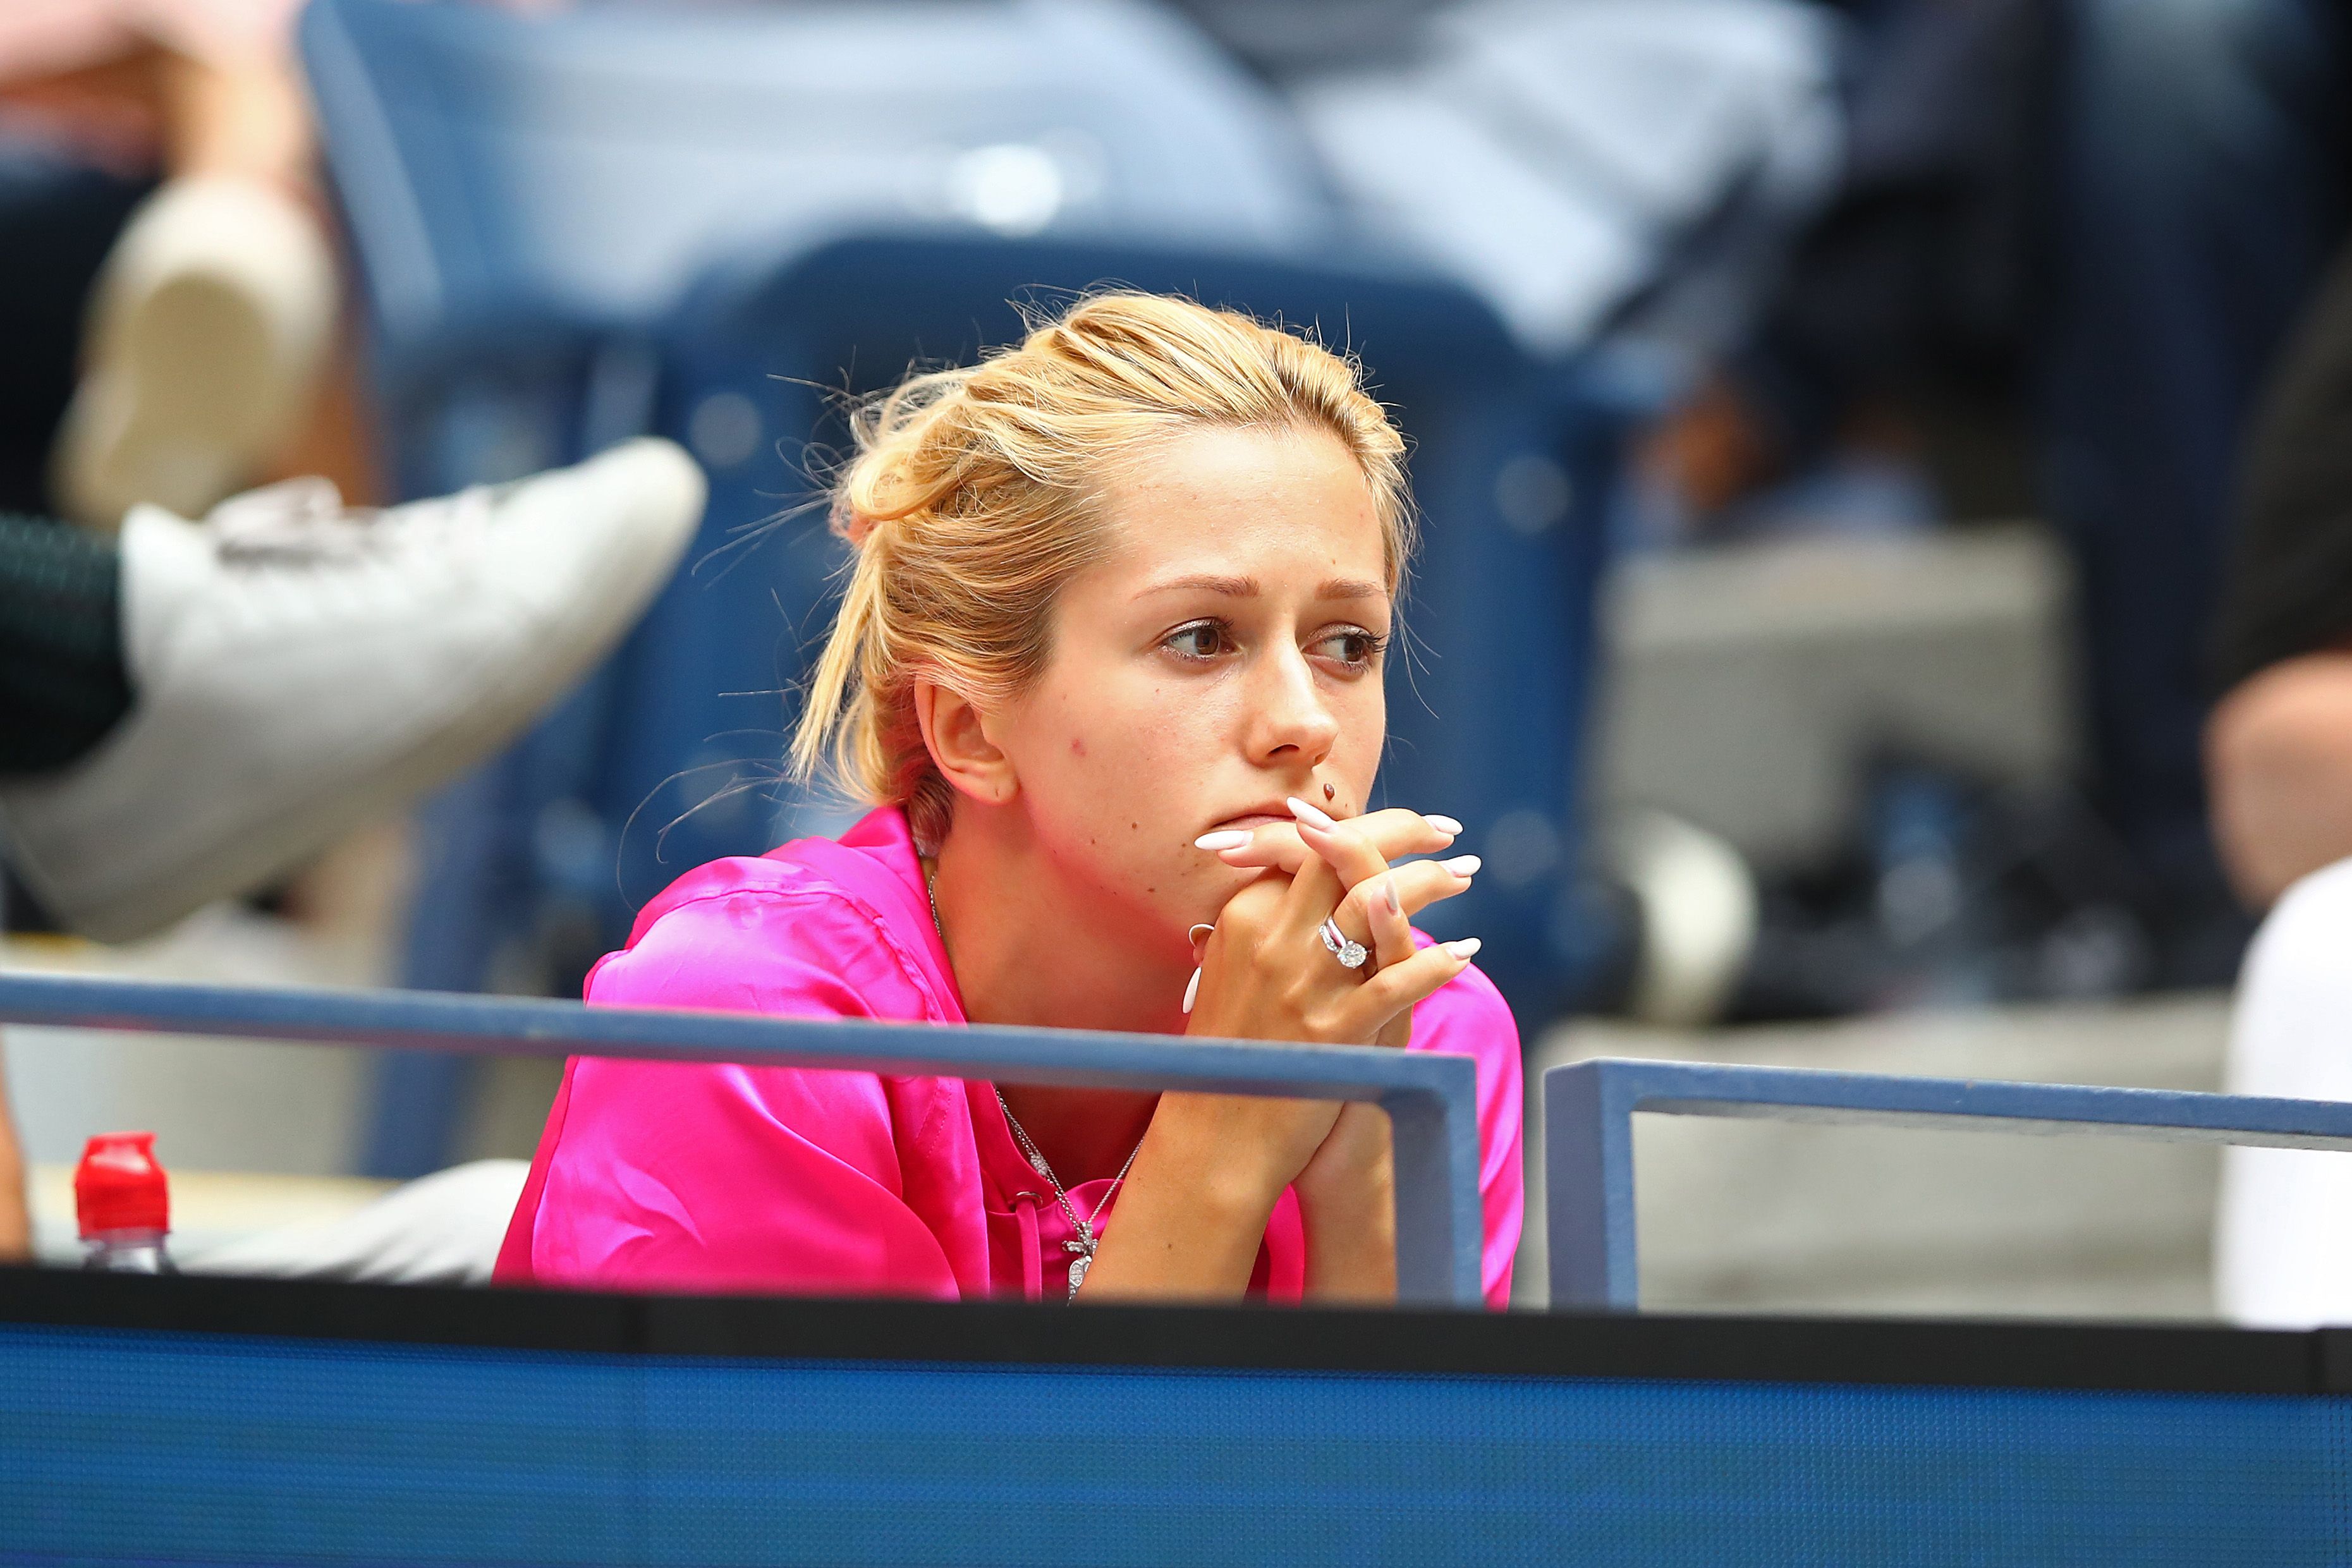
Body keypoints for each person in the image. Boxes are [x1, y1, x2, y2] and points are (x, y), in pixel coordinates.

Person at [496, 294, 1523, 1306]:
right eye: (1201, 637)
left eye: (1347, 644)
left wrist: (1365, 1175)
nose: (1303, 722)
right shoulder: (747, 1024)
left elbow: (1392, 1476)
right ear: (970, 730)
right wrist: (1222, 1138)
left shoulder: (1419, 1032)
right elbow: (968, 1485)